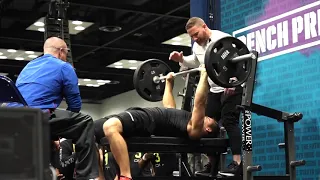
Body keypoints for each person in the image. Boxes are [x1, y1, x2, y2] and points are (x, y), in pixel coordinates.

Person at [94, 67, 219, 180]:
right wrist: (169, 84)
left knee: (110, 127)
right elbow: (169, 107)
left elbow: (200, 103)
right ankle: (100, 177)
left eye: (210, 120)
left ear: (208, 129)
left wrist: (204, 75)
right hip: (140, 114)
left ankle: (125, 175)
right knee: (90, 130)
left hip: (147, 120)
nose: (208, 116)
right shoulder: (182, 122)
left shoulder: (195, 130)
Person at [7, 37, 99, 180]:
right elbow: (75, 106)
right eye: (66, 53)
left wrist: (53, 134)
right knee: (85, 122)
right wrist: (60, 133)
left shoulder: (29, 66)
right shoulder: (64, 67)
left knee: (50, 136)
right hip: (36, 117)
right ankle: (86, 176)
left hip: (12, 118)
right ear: (62, 52)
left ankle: (50, 172)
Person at [169, 17, 243, 176]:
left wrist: (233, 83)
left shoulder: (222, 39)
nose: (195, 38)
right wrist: (181, 59)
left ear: (204, 26)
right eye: (192, 37)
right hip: (214, 90)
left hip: (231, 88)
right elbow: (196, 62)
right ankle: (212, 164)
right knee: (205, 126)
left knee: (229, 121)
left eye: (196, 34)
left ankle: (237, 162)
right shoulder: (197, 46)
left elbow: (241, 60)